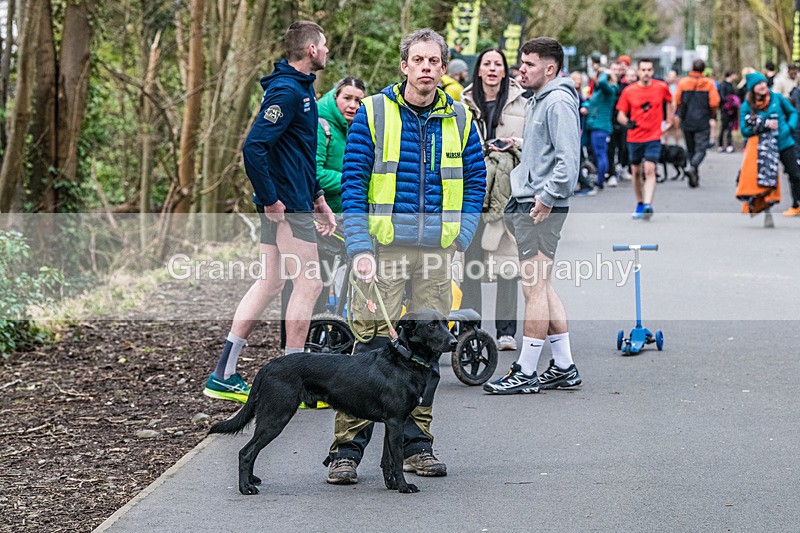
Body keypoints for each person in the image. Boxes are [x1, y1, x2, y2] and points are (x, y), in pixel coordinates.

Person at [325, 28, 487, 483]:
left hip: (437, 252)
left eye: (434, 61)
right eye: (418, 60)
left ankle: (417, 448)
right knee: (369, 349)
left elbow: (476, 182)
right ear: (404, 66)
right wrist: (359, 247)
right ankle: (346, 452)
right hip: (383, 249)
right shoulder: (374, 111)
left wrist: (462, 236)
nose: (426, 68)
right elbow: (353, 183)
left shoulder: (460, 116)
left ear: (443, 67)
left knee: (427, 354)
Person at [203, 21, 336, 403]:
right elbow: (254, 147)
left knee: (271, 282)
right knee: (309, 284)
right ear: (311, 50)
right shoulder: (287, 92)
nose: (327, 50)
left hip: (296, 199)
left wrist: (318, 198)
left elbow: (298, 153)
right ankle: (294, 383)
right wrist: (269, 199)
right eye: (324, 45)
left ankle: (223, 374)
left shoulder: (302, 89)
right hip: (286, 206)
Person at [483, 37, 582, 395]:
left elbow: (569, 161)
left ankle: (525, 371)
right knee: (543, 285)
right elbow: (547, 151)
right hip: (530, 201)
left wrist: (547, 198)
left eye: (529, 64)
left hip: (539, 205)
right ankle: (564, 367)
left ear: (550, 68)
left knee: (533, 288)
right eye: (521, 63)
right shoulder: (541, 99)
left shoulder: (557, 102)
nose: (520, 70)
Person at [461, 47, 528, 351]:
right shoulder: (462, 104)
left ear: (504, 70)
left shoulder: (522, 102)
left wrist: (514, 142)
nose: (491, 69)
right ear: (478, 69)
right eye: (486, 63)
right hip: (472, 191)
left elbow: (534, 141)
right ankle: (470, 330)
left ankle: (506, 332)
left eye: (497, 64)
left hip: (506, 192)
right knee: (470, 264)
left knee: (507, 263)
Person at [312, 76, 366, 313]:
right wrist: (354, 181)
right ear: (335, 97)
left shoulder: (356, 127)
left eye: (358, 100)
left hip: (346, 218)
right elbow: (315, 175)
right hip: (323, 220)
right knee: (319, 283)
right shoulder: (321, 125)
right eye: (347, 98)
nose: (353, 105)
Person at [616, 59, 673, 220]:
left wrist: (669, 120)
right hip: (634, 137)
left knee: (650, 169)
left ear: (652, 71)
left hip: (653, 135)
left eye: (649, 70)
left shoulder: (661, 87)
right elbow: (620, 115)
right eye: (643, 70)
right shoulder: (629, 91)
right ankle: (640, 203)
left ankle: (648, 205)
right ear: (638, 72)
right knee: (636, 172)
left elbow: (670, 101)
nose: (646, 73)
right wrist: (628, 123)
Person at [740, 72, 800, 217]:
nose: (762, 86)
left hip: (783, 141)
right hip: (763, 147)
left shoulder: (777, 98)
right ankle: (762, 204)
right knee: (763, 178)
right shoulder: (746, 106)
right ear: (752, 88)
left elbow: (792, 112)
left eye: (763, 82)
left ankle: (797, 204)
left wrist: (789, 127)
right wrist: (764, 125)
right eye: (758, 84)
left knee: (795, 174)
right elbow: (744, 130)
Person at [674, 59, 720, 187]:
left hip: (687, 119)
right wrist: (711, 113)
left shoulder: (683, 82)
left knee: (691, 149)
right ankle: (693, 167)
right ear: (703, 69)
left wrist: (680, 112)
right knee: (701, 149)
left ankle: (693, 173)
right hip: (702, 119)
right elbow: (714, 102)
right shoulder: (709, 84)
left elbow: (677, 100)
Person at [585, 67, 619, 189]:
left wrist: (605, 72)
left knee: (601, 154)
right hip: (595, 126)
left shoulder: (609, 89)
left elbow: (603, 82)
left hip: (601, 127)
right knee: (599, 154)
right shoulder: (600, 91)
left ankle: (600, 181)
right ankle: (600, 179)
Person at [607, 61, 630, 182]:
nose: (616, 72)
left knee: (624, 147)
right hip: (609, 120)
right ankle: (611, 173)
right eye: (614, 69)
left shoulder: (625, 86)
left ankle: (622, 167)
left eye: (619, 69)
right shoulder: (606, 85)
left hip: (622, 120)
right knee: (610, 149)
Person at [717, 70, 740, 153]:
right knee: (723, 127)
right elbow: (722, 97)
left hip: (732, 110)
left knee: (730, 127)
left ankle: (729, 145)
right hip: (725, 110)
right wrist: (730, 101)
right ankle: (720, 145)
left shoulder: (732, 85)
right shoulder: (723, 85)